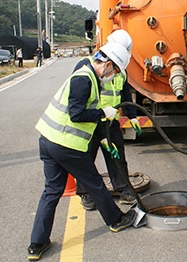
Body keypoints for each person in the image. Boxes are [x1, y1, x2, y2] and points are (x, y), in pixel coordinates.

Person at [28, 42, 134, 261]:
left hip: (49, 140)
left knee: (51, 191)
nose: (113, 74)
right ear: (107, 64)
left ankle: (37, 244)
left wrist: (105, 138)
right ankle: (115, 220)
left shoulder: (90, 78)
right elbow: (77, 114)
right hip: (66, 145)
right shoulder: (83, 79)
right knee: (95, 183)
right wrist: (102, 112)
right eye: (114, 69)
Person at [73, 29, 142, 211]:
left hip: (111, 122)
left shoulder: (120, 69)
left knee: (117, 156)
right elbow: (77, 100)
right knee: (86, 159)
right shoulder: (86, 66)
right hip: (91, 122)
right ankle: (86, 194)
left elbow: (125, 94)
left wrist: (132, 117)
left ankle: (123, 189)